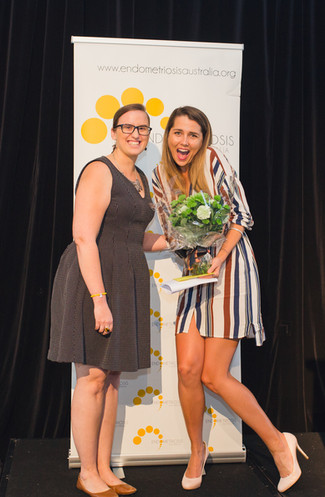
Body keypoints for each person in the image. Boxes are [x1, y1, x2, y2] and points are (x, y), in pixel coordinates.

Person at [152, 106, 308, 492]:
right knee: (188, 369)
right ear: (167, 135)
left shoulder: (213, 161)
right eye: (178, 133)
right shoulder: (159, 177)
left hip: (230, 270)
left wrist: (218, 259)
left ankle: (279, 444)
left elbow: (241, 215)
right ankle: (196, 450)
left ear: (203, 139)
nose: (184, 142)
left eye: (193, 134)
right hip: (195, 275)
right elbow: (174, 234)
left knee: (213, 375)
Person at [48, 103, 166, 497]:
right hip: (93, 280)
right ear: (113, 132)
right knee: (93, 377)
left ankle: (103, 467)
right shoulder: (100, 170)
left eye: (143, 129)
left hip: (127, 278)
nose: (135, 134)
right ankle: (87, 472)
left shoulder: (141, 179)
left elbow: (137, 237)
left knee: (112, 376)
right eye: (128, 127)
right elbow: (84, 236)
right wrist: (100, 300)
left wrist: (180, 239)